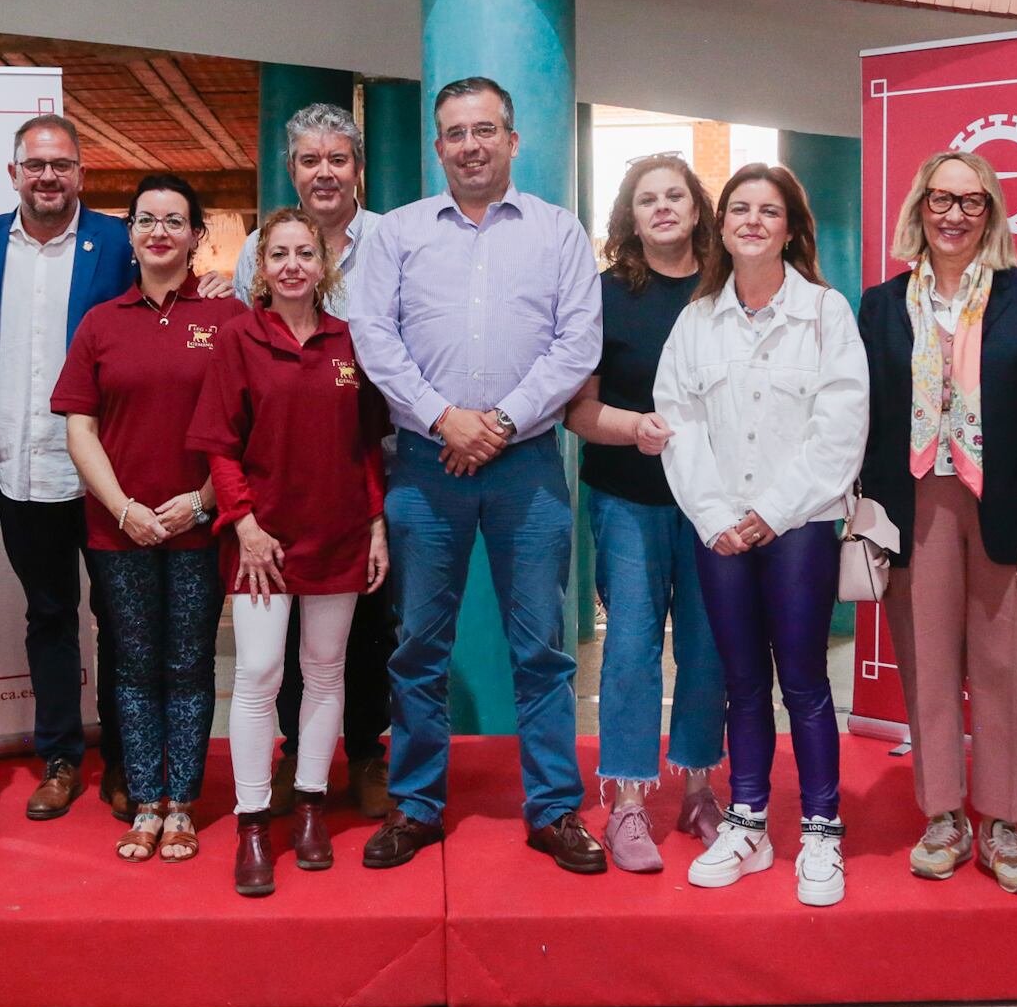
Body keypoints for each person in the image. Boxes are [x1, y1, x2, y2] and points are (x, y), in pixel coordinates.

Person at [348, 76, 607, 876]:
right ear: (437, 147)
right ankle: (417, 805)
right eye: (455, 133)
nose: (470, 145)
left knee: (542, 649)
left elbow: (577, 344)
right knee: (418, 645)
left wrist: (493, 424)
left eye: (485, 130)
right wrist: (440, 417)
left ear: (513, 140)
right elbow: (373, 337)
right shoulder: (396, 234)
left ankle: (554, 807)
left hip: (525, 465)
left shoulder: (559, 233)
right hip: (425, 468)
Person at [858, 150, 1017, 894]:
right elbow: (865, 421)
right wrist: (864, 520)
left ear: (991, 213)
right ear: (919, 207)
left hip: (1008, 506)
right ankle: (944, 813)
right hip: (916, 503)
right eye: (940, 200)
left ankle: (1006, 819)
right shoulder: (881, 305)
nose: (954, 215)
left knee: (1012, 663)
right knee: (926, 667)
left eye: (971, 201)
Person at [655, 162, 868, 904]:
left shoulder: (825, 314)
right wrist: (716, 517)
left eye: (767, 210)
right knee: (740, 681)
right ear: (722, 226)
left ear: (790, 227)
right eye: (739, 208)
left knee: (803, 680)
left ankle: (820, 828)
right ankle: (747, 822)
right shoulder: (697, 318)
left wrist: (770, 512)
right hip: (720, 532)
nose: (751, 220)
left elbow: (841, 428)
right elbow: (676, 423)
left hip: (799, 525)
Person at [0, 115, 138, 824]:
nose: (48, 176)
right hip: (20, 470)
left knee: (118, 621)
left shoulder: (118, 241)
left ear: (81, 174)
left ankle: (125, 757)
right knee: (49, 616)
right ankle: (61, 756)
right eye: (36, 165)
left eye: (62, 165)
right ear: (14, 172)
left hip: (106, 472)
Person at [190, 209, 391, 896]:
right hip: (262, 541)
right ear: (262, 265)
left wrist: (375, 524)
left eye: (306, 252)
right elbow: (218, 444)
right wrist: (242, 522)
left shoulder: (348, 342)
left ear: (324, 263)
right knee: (260, 669)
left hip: (337, 532)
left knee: (326, 667)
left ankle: (309, 804)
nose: (293, 265)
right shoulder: (238, 339)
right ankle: (253, 822)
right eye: (279, 253)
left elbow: (368, 447)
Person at [53, 173, 247, 864]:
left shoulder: (228, 319)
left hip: (201, 524)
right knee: (132, 666)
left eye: (175, 219)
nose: (159, 230)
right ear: (129, 234)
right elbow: (80, 428)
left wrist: (202, 500)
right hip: (119, 528)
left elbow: (246, 426)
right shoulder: (101, 322)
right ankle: (144, 802)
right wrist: (124, 507)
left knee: (190, 663)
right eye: (146, 219)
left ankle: (183, 804)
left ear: (197, 235)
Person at [229, 103, 396, 819]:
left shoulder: (393, 240)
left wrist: (377, 511)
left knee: (365, 632)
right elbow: (247, 349)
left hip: (370, 462)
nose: (323, 171)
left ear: (358, 167)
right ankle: (295, 760)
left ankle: (363, 753)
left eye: (337, 158)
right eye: (309, 160)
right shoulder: (253, 251)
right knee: (274, 650)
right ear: (292, 170)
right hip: (275, 483)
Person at [563, 153, 727, 874]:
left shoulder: (728, 289)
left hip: (713, 501)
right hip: (628, 496)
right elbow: (578, 410)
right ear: (629, 217)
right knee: (629, 644)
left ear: (697, 209)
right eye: (646, 199)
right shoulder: (603, 296)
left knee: (707, 643)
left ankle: (698, 787)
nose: (662, 208)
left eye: (675, 196)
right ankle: (627, 801)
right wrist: (636, 427)